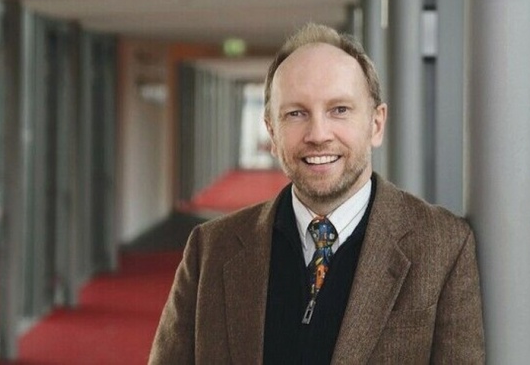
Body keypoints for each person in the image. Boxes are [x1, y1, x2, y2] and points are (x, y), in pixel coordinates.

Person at [149, 23, 485, 364]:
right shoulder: (210, 249)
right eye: (296, 113)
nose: (318, 134)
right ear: (272, 132)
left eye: (339, 110)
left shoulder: (443, 246)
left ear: (376, 124)